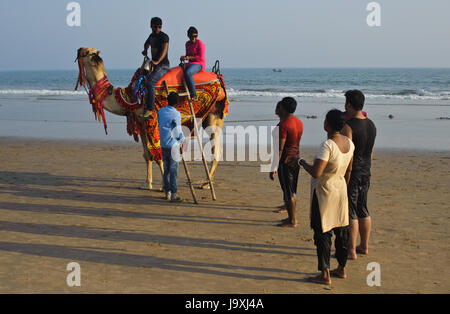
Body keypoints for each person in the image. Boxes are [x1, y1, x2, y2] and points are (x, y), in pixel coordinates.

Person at [287, 109, 354, 285]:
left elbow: (316, 172)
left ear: (327, 125)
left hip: (324, 193)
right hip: (340, 190)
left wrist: (301, 162)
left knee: (323, 233)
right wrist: (343, 187)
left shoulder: (328, 146)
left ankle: (325, 275)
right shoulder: (349, 143)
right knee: (341, 232)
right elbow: (348, 171)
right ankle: (341, 268)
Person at [341, 90, 377, 260]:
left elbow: (348, 154)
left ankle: (351, 250)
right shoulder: (371, 124)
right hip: (366, 170)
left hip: (353, 171)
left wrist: (346, 175)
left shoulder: (348, 127)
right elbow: (370, 152)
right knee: (363, 207)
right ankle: (364, 245)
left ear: (349, 104)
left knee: (351, 211)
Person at [269, 97, 303, 228]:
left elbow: (280, 148)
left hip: (286, 161)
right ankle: (290, 217)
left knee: (288, 192)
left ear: (283, 108)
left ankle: (292, 220)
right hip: (296, 159)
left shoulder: (284, 125)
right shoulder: (299, 122)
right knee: (292, 190)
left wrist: (273, 166)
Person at [140, 17, 170, 120]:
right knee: (140, 75)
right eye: (155, 27)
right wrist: (145, 50)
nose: (157, 29)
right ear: (151, 26)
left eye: (159, 27)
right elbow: (146, 43)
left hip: (163, 65)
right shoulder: (151, 36)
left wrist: (157, 61)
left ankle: (150, 109)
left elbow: (164, 51)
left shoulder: (164, 37)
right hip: (154, 64)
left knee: (150, 83)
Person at [157, 92, 185, 202]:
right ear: (176, 102)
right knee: (173, 170)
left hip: (163, 144)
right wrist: (182, 140)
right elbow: (177, 130)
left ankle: (167, 192)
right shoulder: (176, 114)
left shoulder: (160, 111)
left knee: (167, 169)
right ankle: (174, 194)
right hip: (173, 145)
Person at [180, 26, 206, 102]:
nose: (194, 38)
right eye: (192, 36)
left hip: (199, 64)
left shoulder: (200, 43)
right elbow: (188, 55)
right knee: (179, 68)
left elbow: (200, 57)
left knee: (188, 73)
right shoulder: (187, 44)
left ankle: (194, 95)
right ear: (188, 36)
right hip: (191, 63)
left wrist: (187, 58)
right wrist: (184, 57)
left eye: (195, 36)